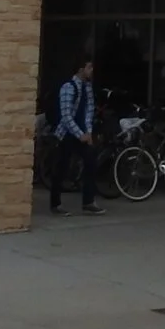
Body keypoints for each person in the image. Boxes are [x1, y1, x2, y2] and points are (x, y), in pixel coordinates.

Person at [46, 59, 104, 216]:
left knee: (91, 161)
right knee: (61, 168)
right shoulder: (68, 87)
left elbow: (89, 110)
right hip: (66, 134)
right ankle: (56, 204)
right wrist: (80, 134)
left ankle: (88, 202)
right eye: (89, 67)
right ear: (80, 69)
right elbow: (66, 116)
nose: (91, 71)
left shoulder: (88, 87)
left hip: (82, 133)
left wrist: (88, 132)